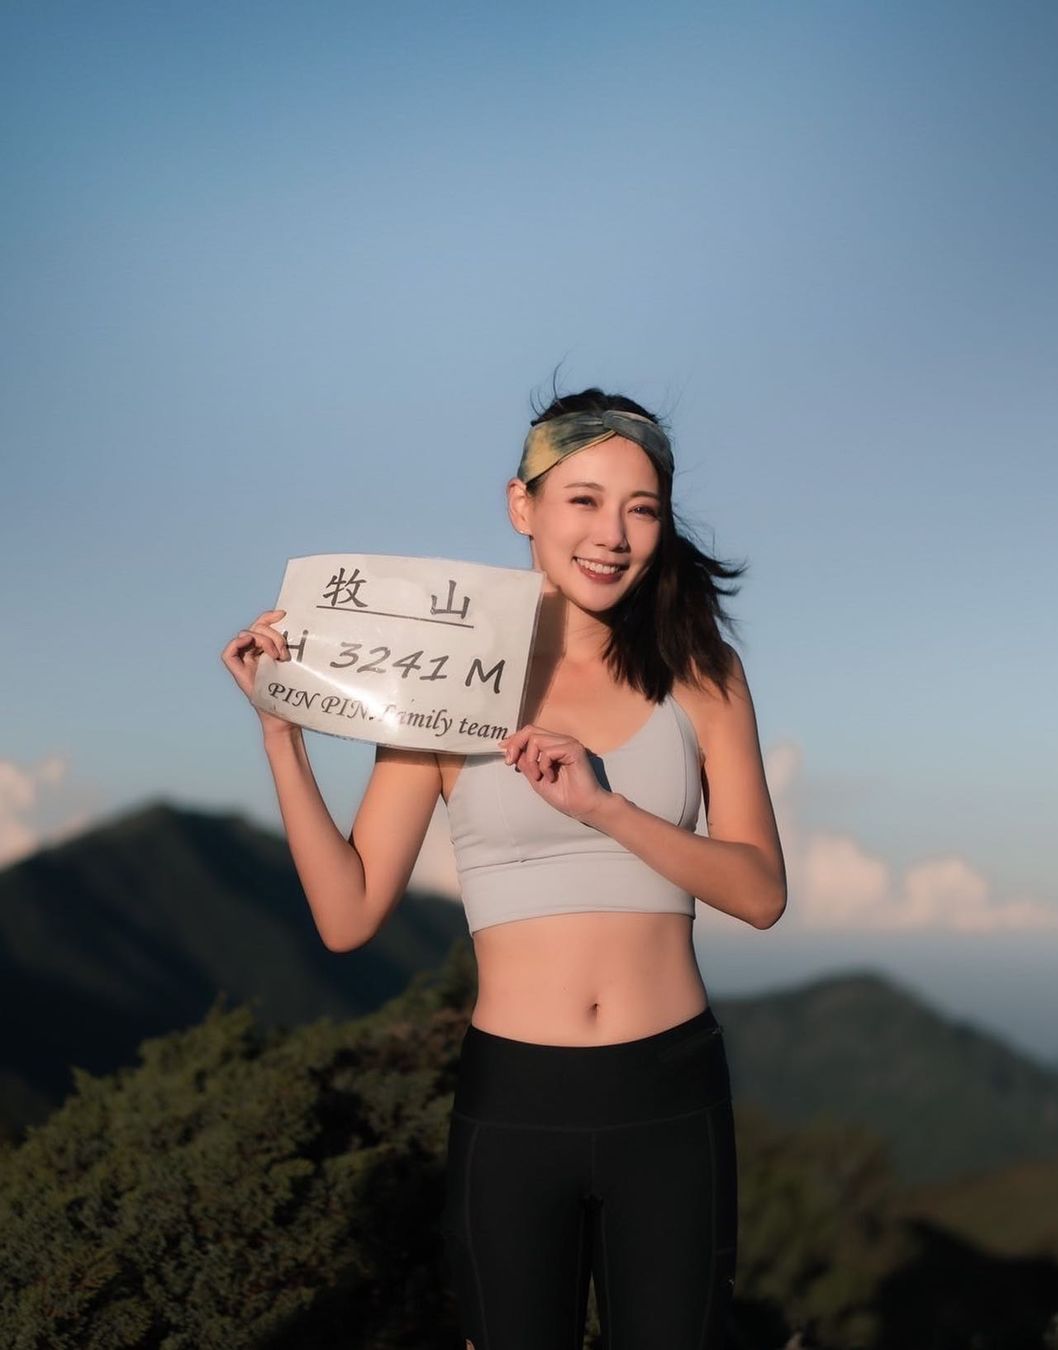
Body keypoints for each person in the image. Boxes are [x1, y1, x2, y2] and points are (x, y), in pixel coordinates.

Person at [221, 383, 786, 1350]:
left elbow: (759, 892)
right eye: (583, 500)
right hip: (516, 1101)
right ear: (522, 506)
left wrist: (606, 807)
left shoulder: (704, 671)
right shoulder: (445, 681)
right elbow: (349, 913)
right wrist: (284, 735)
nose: (612, 533)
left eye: (640, 508)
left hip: (671, 1093)